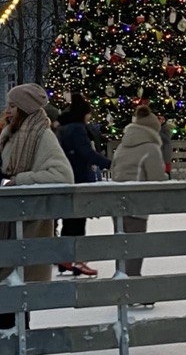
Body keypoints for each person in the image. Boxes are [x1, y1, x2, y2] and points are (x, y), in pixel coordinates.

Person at [0, 82, 74, 355]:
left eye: (13, 106)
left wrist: (20, 180)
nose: (8, 110)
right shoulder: (14, 133)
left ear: (25, 109)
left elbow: (62, 175)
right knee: (7, 292)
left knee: (16, 292)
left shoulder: (41, 135)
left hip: (25, 227)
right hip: (5, 223)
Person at [109, 106, 167, 284]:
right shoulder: (151, 148)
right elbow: (156, 177)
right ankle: (132, 285)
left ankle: (121, 278)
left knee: (122, 245)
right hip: (137, 204)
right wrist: (166, 177)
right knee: (136, 246)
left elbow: (113, 170)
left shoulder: (122, 146)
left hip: (117, 203)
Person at [56, 96, 110, 276]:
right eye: (88, 114)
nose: (89, 118)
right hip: (78, 177)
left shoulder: (64, 128)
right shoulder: (78, 129)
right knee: (78, 220)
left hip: (67, 176)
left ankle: (65, 258)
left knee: (69, 220)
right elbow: (85, 152)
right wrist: (108, 163)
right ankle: (77, 260)